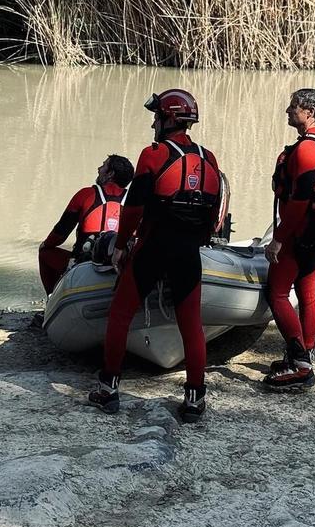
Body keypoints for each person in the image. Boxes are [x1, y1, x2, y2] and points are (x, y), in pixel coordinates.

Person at [87, 89, 223, 423]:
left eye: (157, 116)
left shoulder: (152, 155)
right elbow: (213, 214)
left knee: (120, 314)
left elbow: (132, 210)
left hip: (154, 247)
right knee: (191, 324)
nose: (154, 122)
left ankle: (108, 389)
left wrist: (120, 246)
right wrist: (196, 240)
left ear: (169, 119)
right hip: (189, 251)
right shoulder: (210, 159)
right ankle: (195, 398)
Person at [263, 88, 315, 392]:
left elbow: (298, 203)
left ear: (309, 112)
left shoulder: (307, 150)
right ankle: (305, 350)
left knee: (277, 293)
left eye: (293, 107)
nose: (287, 110)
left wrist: (278, 240)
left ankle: (300, 366)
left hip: (299, 232)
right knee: (307, 291)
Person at [37, 155, 134, 298]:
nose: (99, 169)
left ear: (110, 174)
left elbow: (60, 234)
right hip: (121, 265)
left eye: (103, 166)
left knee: (45, 252)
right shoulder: (135, 200)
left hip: (84, 264)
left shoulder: (85, 195)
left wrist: (45, 244)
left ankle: (51, 298)